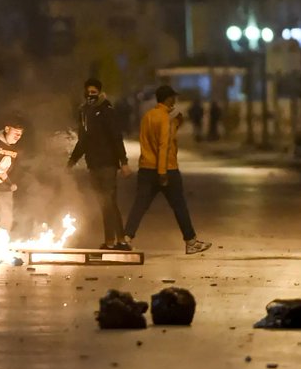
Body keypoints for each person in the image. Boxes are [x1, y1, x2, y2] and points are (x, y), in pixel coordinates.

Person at [119, 86, 212, 255]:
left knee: (139, 205)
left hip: (146, 168)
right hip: (167, 169)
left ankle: (126, 238)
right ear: (168, 99)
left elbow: (152, 140)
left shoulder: (148, 116)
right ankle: (191, 242)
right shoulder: (163, 118)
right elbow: (163, 145)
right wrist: (162, 173)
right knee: (179, 206)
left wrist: (176, 122)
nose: (175, 101)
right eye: (173, 98)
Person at [66, 79, 131, 250]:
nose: (90, 95)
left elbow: (116, 137)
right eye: (88, 92)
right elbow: (83, 141)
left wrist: (123, 162)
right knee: (104, 203)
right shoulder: (84, 112)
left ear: (100, 92)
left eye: (94, 92)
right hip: (93, 164)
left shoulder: (107, 110)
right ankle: (111, 241)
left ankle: (120, 240)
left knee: (109, 201)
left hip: (108, 163)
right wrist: (72, 161)